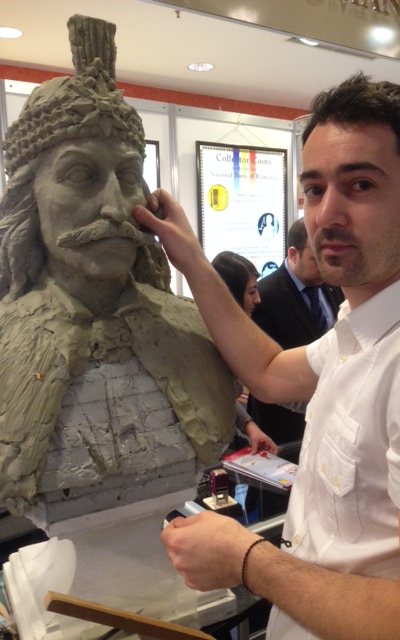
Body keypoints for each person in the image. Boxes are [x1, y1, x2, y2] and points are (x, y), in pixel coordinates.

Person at [133, 72, 400, 640]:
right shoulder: (367, 321)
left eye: (360, 185)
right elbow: (269, 372)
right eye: (315, 190)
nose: (326, 215)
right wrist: (191, 257)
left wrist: (248, 560)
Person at [0, 15, 237, 521]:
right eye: (80, 174)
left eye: (128, 176)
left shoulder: (195, 330)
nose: (114, 207)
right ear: (28, 197)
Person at [248, 218, 344, 443]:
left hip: (331, 422)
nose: (325, 266)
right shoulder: (264, 297)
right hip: (285, 428)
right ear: (293, 254)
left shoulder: (333, 286)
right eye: (316, 259)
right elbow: (262, 367)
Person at [212, 250, 277, 455]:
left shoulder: (231, 336)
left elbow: (224, 398)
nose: (258, 299)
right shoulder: (209, 339)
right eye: (251, 292)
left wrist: (249, 426)